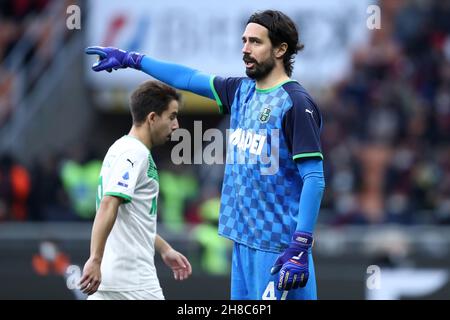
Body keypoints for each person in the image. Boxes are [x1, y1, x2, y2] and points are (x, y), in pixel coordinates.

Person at [85, 9, 325, 300]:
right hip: (242, 243)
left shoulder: (296, 103)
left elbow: (314, 177)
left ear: (280, 49)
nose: (245, 49)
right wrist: (132, 59)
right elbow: (187, 78)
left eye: (255, 42)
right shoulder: (240, 91)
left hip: (277, 250)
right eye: (244, 40)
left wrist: (300, 244)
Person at [79, 80, 192, 300]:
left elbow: (132, 219)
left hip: (113, 279)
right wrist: (95, 259)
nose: (176, 125)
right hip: (133, 281)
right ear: (152, 118)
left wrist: (164, 248)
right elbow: (109, 204)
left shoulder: (121, 148)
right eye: (171, 116)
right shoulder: (134, 154)